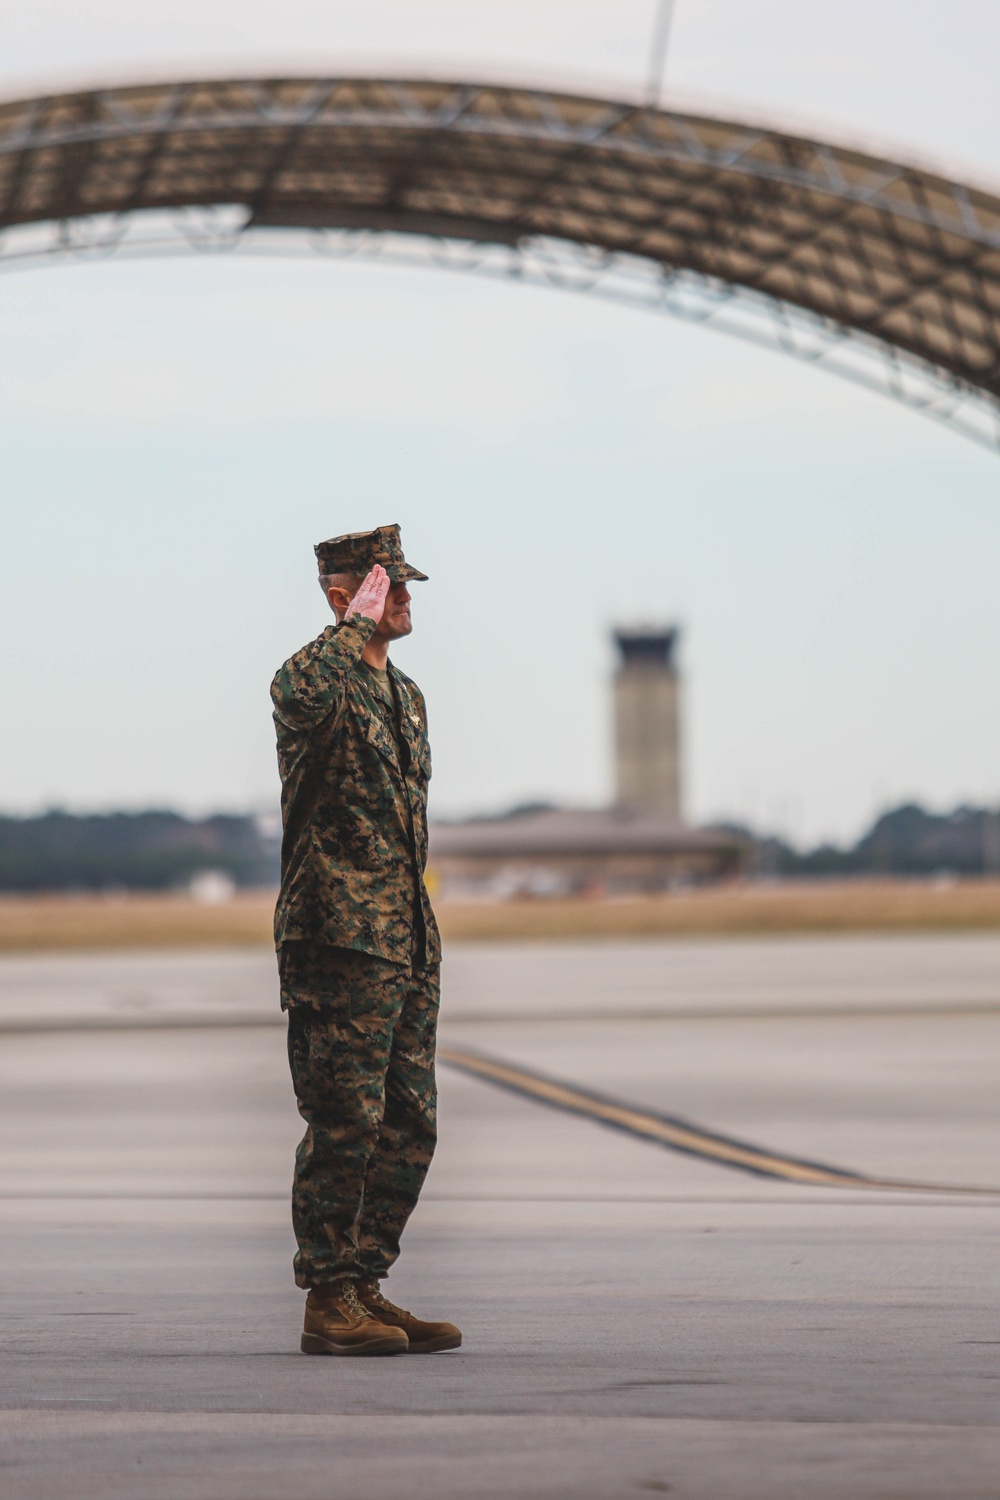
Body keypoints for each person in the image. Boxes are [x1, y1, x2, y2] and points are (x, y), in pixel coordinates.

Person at [270, 524, 460, 1357]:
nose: (407, 598)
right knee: (346, 1119)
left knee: (409, 1124)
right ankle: (328, 1298)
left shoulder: (405, 696)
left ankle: (366, 1285)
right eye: (390, 586)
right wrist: (352, 623)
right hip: (337, 938)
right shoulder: (319, 683)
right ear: (346, 596)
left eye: (406, 585)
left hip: (404, 938)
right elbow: (295, 688)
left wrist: (422, 934)